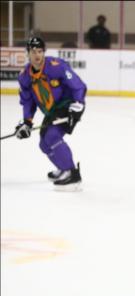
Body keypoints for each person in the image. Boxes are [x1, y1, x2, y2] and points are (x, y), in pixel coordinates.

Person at [15, 37, 85, 190]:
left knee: (52, 136)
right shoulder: (24, 76)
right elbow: (28, 101)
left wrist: (78, 104)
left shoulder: (56, 66)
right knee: (44, 144)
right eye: (33, 51)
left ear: (44, 52)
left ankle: (73, 174)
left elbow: (78, 85)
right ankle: (63, 168)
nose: (37, 55)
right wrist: (27, 122)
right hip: (53, 111)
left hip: (69, 105)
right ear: (28, 53)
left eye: (40, 51)